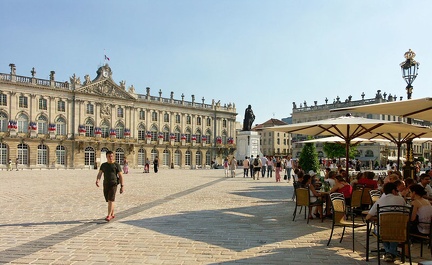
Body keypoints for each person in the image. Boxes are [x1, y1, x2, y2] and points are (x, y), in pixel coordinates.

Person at [366, 182, 406, 263]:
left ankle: (389, 253)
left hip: (383, 231)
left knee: (382, 230)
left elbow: (368, 217)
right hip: (399, 231)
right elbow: (405, 213)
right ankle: (391, 253)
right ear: (393, 190)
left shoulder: (380, 201)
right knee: (394, 231)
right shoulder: (401, 200)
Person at [95, 151, 124, 222]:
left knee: (111, 199)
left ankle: (109, 215)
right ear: (106, 157)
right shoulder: (103, 165)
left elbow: (120, 175)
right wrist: (98, 180)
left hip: (114, 184)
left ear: (113, 156)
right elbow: (100, 173)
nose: (110, 158)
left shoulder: (116, 165)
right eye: (109, 156)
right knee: (109, 200)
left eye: (111, 156)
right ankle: (112, 213)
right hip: (106, 184)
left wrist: (122, 186)